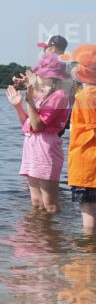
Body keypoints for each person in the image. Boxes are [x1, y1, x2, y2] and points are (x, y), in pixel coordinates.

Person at [5, 56, 70, 213]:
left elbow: (38, 125)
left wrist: (29, 97)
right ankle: (39, 234)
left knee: (50, 203)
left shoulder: (59, 96)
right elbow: (28, 126)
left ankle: (53, 236)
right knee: (36, 201)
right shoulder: (41, 96)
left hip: (46, 147)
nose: (37, 77)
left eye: (40, 75)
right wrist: (18, 106)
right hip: (31, 145)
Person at [63, 45, 96, 233]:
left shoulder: (85, 97)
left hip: (87, 167)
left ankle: (86, 258)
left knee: (89, 220)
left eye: (75, 65)